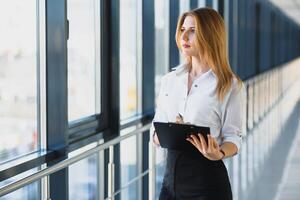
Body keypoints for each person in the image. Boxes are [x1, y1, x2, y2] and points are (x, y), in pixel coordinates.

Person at [150, 7, 246, 200]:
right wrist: (167, 132)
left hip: (207, 187)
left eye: (193, 30)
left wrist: (217, 153)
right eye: (182, 29)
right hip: (170, 185)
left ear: (210, 34)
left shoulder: (230, 85)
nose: (184, 36)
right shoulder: (170, 80)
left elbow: (234, 138)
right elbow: (155, 129)